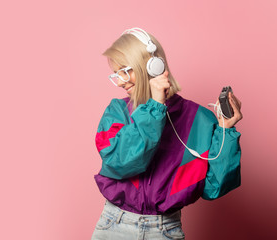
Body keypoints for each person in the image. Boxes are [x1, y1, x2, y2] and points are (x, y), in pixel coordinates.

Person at [91, 27, 243, 240]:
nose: (121, 81)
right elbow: (120, 162)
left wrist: (226, 132)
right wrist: (154, 108)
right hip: (114, 225)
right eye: (116, 74)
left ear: (153, 66)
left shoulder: (199, 119)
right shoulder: (117, 112)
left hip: (165, 230)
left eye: (125, 71)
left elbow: (213, 188)